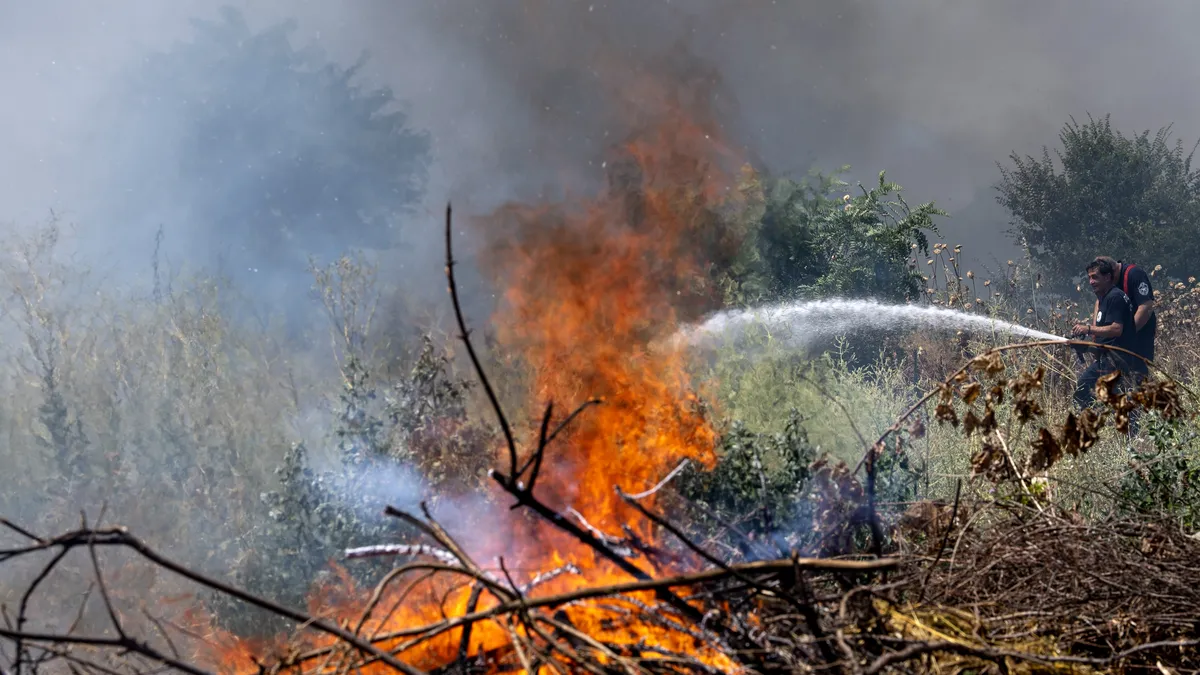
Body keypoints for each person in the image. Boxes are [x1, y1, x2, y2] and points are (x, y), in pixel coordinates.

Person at [1072, 257, 1138, 409]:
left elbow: (1116, 329)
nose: (1091, 282)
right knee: (1084, 388)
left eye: (1095, 277)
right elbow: (1104, 337)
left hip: (1117, 360)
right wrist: (1084, 345)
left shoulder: (1115, 297)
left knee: (1109, 399)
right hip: (1107, 359)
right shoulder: (1105, 298)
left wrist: (1088, 329)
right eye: (1089, 277)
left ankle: (1120, 428)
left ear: (1108, 277)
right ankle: (1095, 422)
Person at [1091, 255, 1156, 381]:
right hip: (1117, 335)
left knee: (1138, 374)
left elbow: (1146, 306)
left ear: (1112, 272)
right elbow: (1099, 302)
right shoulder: (1107, 284)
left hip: (1140, 333)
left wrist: (1128, 334)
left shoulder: (1134, 274)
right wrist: (1096, 334)